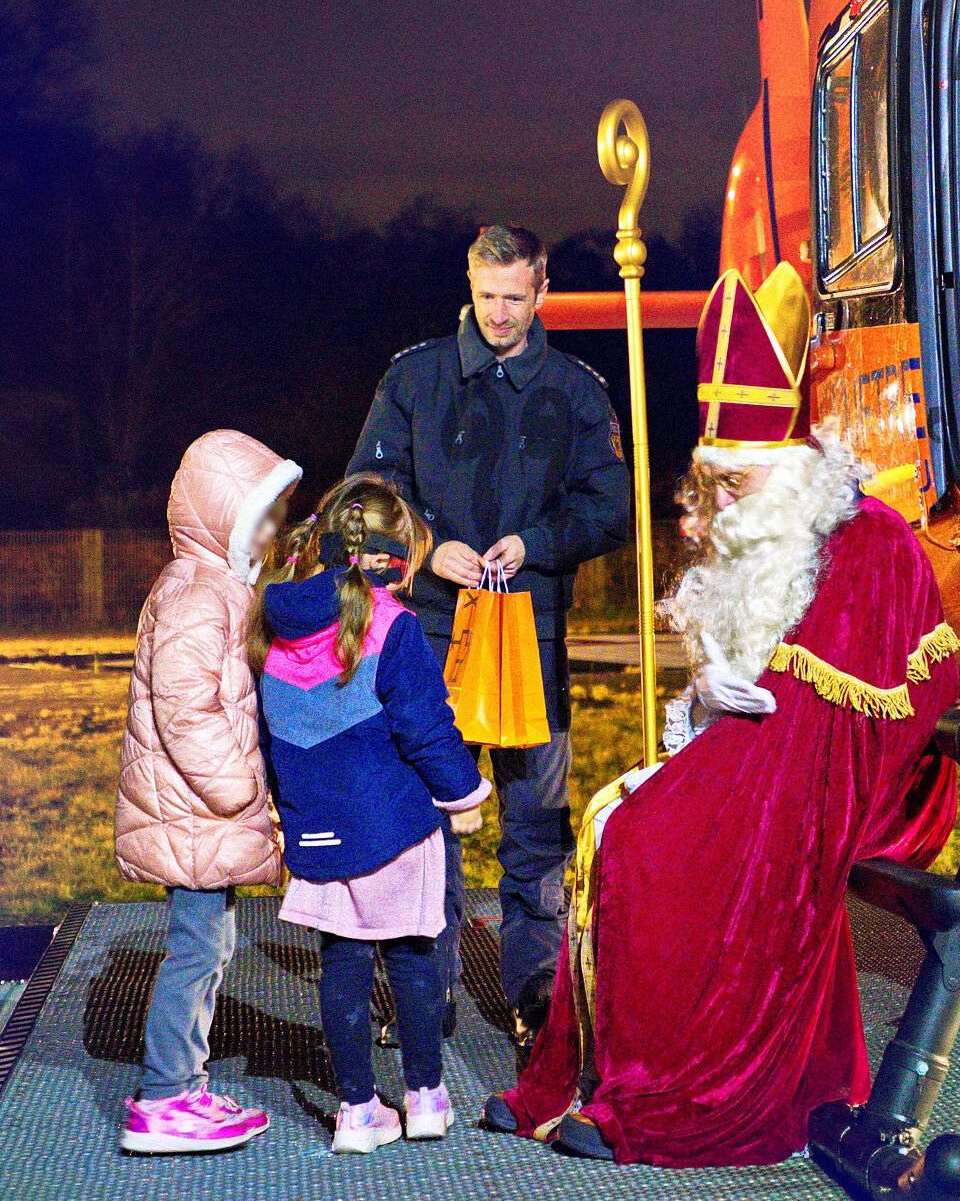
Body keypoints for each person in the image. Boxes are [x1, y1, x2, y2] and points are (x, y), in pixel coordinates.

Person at [481, 263, 960, 1167]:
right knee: (614, 824)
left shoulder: (865, 543)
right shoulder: (765, 535)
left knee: (645, 845)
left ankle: (673, 1084)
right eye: (718, 487)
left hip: (820, 786)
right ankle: (592, 1076)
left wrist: (766, 707)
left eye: (737, 487)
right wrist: (704, 701)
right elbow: (746, 686)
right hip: (753, 758)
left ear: (787, 474)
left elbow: (869, 714)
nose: (720, 512)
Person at [348, 224, 630, 1044]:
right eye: (487, 297)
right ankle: (417, 991)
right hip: (428, 641)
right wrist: (432, 548)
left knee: (537, 825)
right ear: (468, 289)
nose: (501, 314)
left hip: (533, 641)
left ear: (542, 291)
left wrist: (534, 544)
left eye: (515, 297)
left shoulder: (577, 390)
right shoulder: (415, 378)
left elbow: (611, 507)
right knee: (423, 817)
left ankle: (537, 992)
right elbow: (367, 493)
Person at [249, 474, 492, 1154]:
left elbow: (271, 735)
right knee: (414, 958)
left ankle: (357, 1111)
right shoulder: (396, 626)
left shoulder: (273, 629)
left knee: (343, 967)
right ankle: (425, 1099)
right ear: (401, 553)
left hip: (316, 828)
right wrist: (465, 794)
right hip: (397, 828)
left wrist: (285, 809)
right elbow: (425, 727)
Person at [115, 429, 303, 1154]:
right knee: (197, 951)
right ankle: (165, 1097)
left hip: (195, 813)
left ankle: (179, 1085)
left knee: (210, 945)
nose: (272, 532)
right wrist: (240, 793)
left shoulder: (214, 585)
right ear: (222, 515)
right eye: (261, 517)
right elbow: (184, 706)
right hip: (196, 812)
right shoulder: (200, 594)